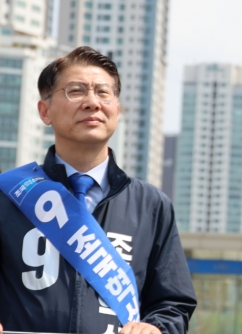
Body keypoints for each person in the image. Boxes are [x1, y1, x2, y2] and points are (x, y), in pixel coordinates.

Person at [0, 46, 196, 334]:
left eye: (103, 92)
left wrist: (156, 328)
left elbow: (173, 304)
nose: (92, 102)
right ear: (45, 111)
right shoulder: (8, 196)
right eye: (76, 91)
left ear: (116, 108)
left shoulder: (150, 205)